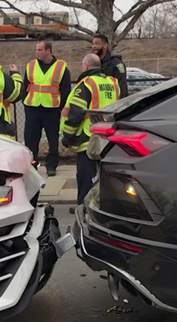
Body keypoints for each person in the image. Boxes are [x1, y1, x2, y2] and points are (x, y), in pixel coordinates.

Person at [60, 54, 119, 210]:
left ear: (85, 66)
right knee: (104, 176)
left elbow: (75, 114)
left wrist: (68, 136)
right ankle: (103, 206)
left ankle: (84, 208)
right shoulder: (112, 83)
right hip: (109, 137)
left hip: (89, 138)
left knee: (86, 176)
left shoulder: (86, 84)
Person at [22, 40, 71, 177]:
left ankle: (52, 165)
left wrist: (59, 107)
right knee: (31, 140)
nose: (36, 52)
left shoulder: (61, 68)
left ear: (48, 51)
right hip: (33, 108)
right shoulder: (30, 66)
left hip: (52, 109)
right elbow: (25, 87)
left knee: (52, 140)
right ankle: (32, 165)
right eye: (36, 50)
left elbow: (65, 90)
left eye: (39, 50)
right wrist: (26, 103)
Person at [91, 34, 128, 98]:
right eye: (93, 44)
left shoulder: (116, 64)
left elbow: (122, 89)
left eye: (97, 44)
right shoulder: (93, 63)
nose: (93, 46)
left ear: (105, 45)